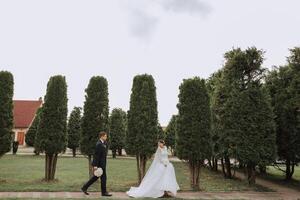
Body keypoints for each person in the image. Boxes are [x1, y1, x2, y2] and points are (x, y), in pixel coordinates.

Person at [81, 131, 112, 197]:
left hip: (103, 164)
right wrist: (95, 166)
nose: (106, 137)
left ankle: (84, 187)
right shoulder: (99, 144)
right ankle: (104, 193)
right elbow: (96, 155)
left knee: (95, 178)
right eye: (105, 136)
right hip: (100, 165)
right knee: (103, 178)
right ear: (102, 136)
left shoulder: (104, 143)